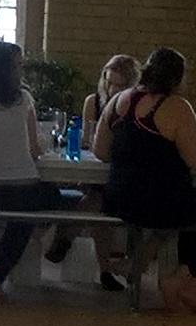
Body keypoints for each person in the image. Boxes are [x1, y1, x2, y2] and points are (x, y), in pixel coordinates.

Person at [101, 47, 196, 313]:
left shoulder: (118, 101)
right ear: (177, 79)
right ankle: (183, 278)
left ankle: (144, 264)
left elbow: (100, 150)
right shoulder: (175, 107)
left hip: (118, 198)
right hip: (159, 203)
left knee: (193, 206)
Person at [0, 41, 69, 301]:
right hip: (21, 189)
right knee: (35, 210)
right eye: (18, 65)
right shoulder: (24, 100)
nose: (21, 71)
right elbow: (34, 150)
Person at [51, 53, 141, 283]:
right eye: (109, 83)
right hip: (99, 170)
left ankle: (66, 236)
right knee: (98, 199)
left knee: (98, 201)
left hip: (122, 174)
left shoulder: (135, 106)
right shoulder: (94, 102)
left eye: (119, 85)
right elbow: (88, 139)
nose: (112, 89)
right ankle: (105, 271)